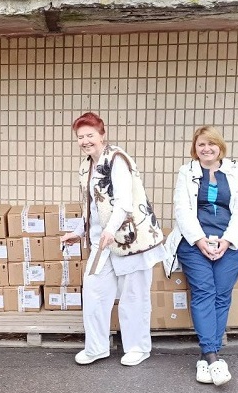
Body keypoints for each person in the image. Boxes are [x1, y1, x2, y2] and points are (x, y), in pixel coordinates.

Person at [60, 112, 165, 367]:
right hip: (102, 242)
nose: (85, 141)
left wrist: (110, 230)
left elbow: (124, 203)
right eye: (80, 136)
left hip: (131, 240)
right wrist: (80, 231)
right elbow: (92, 206)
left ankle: (138, 348)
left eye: (90, 135)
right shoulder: (87, 165)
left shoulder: (117, 159)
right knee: (95, 292)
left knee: (134, 296)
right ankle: (96, 347)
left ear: (102, 135)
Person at [163, 125, 238, 386]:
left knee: (221, 294)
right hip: (194, 242)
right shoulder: (187, 172)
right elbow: (182, 209)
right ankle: (212, 355)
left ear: (220, 147)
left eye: (211, 144)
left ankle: (207, 358)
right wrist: (199, 240)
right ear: (194, 149)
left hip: (229, 241)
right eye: (200, 145)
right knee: (204, 291)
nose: (206, 149)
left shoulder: (235, 170)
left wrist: (228, 240)